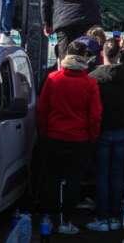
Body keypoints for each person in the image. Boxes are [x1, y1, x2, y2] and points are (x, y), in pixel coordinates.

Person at [37, 40, 103, 235]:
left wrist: (42, 131)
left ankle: (47, 217)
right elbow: (95, 115)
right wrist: (92, 137)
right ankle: (66, 221)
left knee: (51, 178)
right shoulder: (89, 83)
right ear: (84, 57)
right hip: (79, 139)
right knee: (73, 181)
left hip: (53, 136)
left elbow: (42, 109)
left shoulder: (53, 78)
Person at [88, 38, 124, 232]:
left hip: (103, 129)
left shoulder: (93, 77)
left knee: (103, 174)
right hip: (122, 128)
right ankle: (115, 215)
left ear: (102, 54)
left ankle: (102, 216)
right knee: (117, 174)